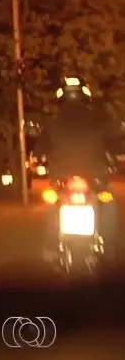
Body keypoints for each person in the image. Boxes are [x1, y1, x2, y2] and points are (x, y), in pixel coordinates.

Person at [35, 76, 122, 264]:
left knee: (52, 203)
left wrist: (39, 159)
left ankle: (50, 246)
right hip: (96, 180)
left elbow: (39, 150)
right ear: (85, 96)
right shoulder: (100, 121)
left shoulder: (53, 124)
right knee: (109, 203)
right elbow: (117, 146)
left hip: (61, 181)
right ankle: (109, 247)